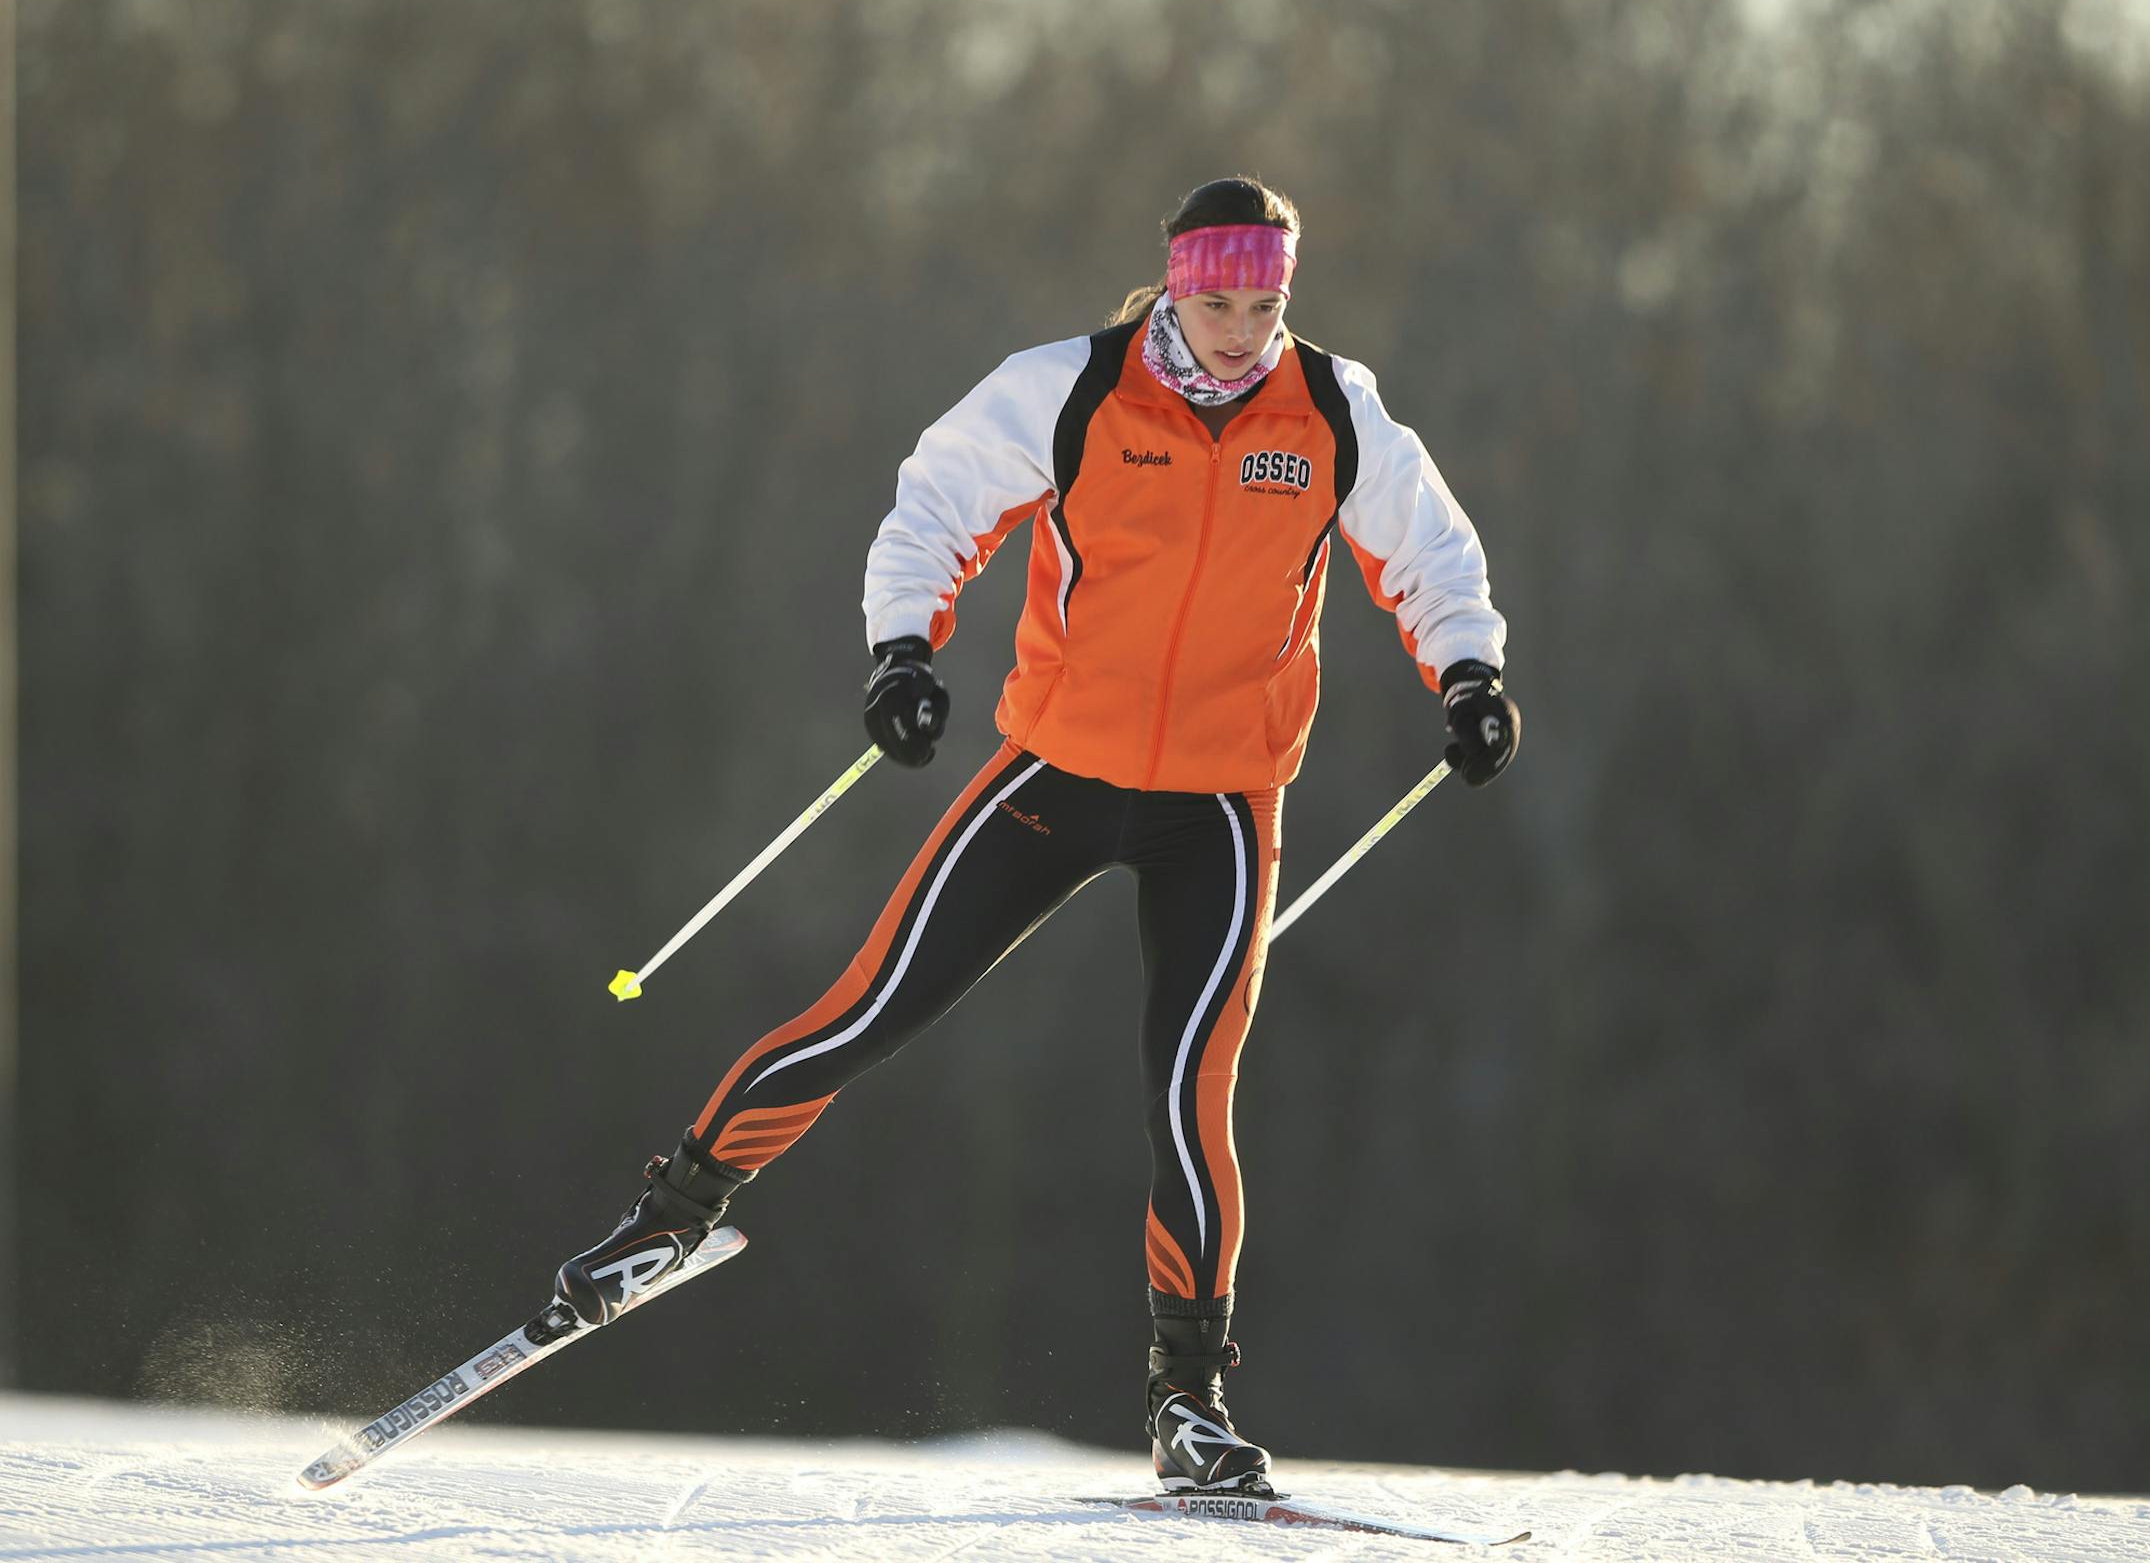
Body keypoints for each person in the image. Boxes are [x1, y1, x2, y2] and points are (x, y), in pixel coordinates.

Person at [553, 175, 1519, 1495]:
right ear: (1175, 286)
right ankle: (666, 1221)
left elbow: (1431, 550)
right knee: (867, 1011)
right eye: (1220, 301)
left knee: (1192, 1098)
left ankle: (1189, 1401)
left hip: (1223, 807)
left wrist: (1466, 672)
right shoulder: (1071, 389)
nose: (1243, 330)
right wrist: (903, 651)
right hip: (1053, 773)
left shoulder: (1335, 410)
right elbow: (937, 504)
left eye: (1267, 304)